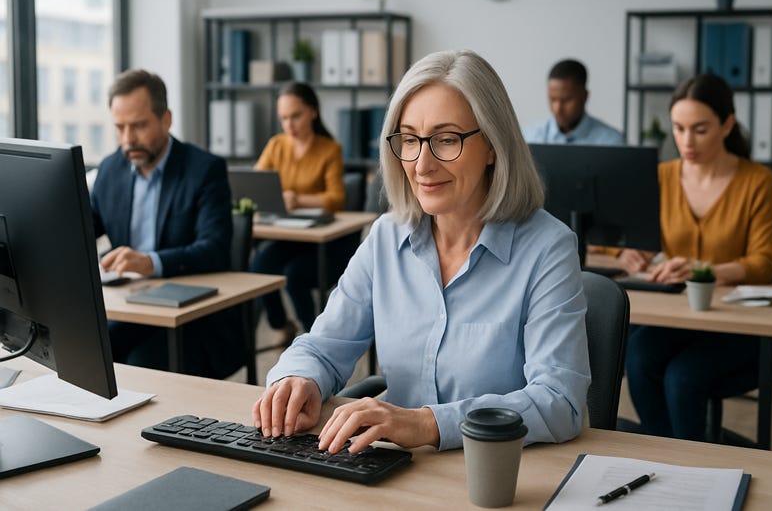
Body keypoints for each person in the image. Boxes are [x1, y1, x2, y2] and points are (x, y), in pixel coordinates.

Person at [251, 50, 590, 453]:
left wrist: (428, 423)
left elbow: (560, 402)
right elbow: (324, 346)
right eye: (409, 140)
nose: (422, 164)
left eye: (446, 140)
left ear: (493, 146)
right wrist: (299, 378)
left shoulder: (548, 247)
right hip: (393, 469)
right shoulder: (385, 238)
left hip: (497, 477)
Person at [619, 73, 772, 441]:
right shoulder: (661, 177)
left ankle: (695, 470)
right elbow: (618, 238)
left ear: (727, 124)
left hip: (736, 323)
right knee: (639, 356)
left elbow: (765, 263)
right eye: (678, 128)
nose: (686, 141)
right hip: (678, 319)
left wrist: (703, 270)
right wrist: (630, 251)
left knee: (683, 377)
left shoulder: (756, 181)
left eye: (699, 129)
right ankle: (665, 456)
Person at [91, 69, 243, 379]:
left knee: (138, 366)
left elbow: (214, 249)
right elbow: (80, 231)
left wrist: (151, 262)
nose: (128, 139)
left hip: (193, 320)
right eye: (120, 127)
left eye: (139, 125)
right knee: (89, 350)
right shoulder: (110, 170)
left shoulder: (204, 170)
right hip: (133, 307)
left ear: (166, 119)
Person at [248, 82, 347, 340]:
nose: (289, 125)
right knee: (259, 266)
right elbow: (256, 185)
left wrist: (299, 200)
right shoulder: (276, 145)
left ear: (313, 112)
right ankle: (281, 325)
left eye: (295, 116)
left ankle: (316, 337)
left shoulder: (330, 149)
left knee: (294, 276)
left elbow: (337, 198)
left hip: (319, 241)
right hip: (287, 235)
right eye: (283, 118)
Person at [524, 59, 624, 145]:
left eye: (566, 100)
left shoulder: (611, 142)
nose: (557, 109)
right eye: (553, 100)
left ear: (584, 96)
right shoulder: (528, 138)